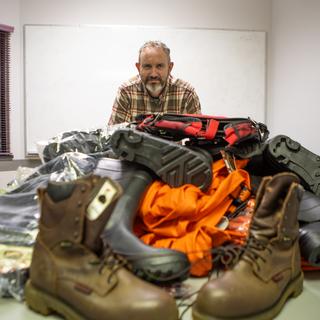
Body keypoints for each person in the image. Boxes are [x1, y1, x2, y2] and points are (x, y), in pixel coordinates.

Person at [108, 41, 201, 125]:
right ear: (138, 67)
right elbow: (112, 136)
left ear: (170, 67)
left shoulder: (187, 93)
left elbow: (199, 136)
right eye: (147, 66)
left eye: (159, 66)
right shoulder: (126, 92)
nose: (153, 74)